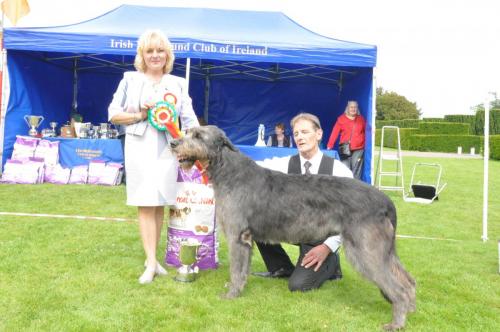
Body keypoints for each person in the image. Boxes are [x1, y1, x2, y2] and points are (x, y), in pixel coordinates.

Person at [108, 30, 199, 284]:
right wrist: (139, 114)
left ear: (167, 55)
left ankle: (154, 259)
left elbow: (189, 118)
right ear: (142, 55)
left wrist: (195, 140)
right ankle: (150, 262)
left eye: (160, 51)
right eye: (150, 51)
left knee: (159, 203)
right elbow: (113, 113)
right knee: (145, 203)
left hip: (169, 149)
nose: (155, 55)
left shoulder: (178, 83)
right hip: (139, 145)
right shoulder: (130, 80)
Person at [253, 113, 353, 292]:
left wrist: (328, 247)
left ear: (319, 134)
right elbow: (254, 167)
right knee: (255, 219)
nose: (299, 137)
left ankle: (332, 264)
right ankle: (280, 267)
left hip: (322, 237)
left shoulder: (339, 170)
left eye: (305, 132)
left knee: (298, 286)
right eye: (296, 133)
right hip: (294, 227)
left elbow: (350, 217)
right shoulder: (284, 164)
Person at [326, 101, 366, 180]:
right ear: (347, 108)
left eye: (355, 107)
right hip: (345, 149)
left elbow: (366, 131)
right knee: (345, 169)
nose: (353, 109)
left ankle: (355, 188)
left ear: (357, 108)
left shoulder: (361, 119)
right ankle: (346, 188)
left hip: (358, 149)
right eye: (351, 107)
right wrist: (329, 146)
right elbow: (334, 133)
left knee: (356, 169)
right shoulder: (341, 119)